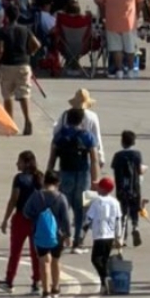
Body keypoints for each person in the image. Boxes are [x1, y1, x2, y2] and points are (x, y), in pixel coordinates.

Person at [46, 106, 99, 252]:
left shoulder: (60, 136)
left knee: (64, 207)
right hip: (84, 176)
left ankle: (62, 236)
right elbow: (94, 159)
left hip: (65, 174)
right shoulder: (87, 136)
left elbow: (52, 158)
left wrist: (48, 176)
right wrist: (95, 180)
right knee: (82, 209)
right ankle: (78, 240)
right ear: (81, 120)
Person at [0, 150, 42, 294]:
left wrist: (5, 219)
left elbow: (14, 199)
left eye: (20, 161)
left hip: (21, 219)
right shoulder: (40, 177)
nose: (17, 164)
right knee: (36, 252)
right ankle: (36, 281)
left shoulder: (19, 179)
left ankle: (9, 281)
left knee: (15, 251)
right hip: (36, 220)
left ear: (27, 163)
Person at [23, 169, 71, 298]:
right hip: (58, 235)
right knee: (56, 260)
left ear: (44, 181)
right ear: (58, 182)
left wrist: (36, 219)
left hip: (40, 233)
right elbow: (66, 218)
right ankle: (56, 287)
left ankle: (46, 291)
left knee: (44, 262)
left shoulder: (36, 196)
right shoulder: (61, 198)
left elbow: (26, 212)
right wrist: (68, 235)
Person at [0, 2, 39, 136]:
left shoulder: (3, 30)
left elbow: (0, 50)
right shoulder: (25, 29)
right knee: (24, 93)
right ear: (18, 15)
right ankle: (27, 120)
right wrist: (30, 53)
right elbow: (37, 44)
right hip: (23, 64)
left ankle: (10, 123)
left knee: (8, 96)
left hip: (7, 65)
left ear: (6, 16)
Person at [94, 0, 143, 79]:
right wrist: (137, 12)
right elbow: (141, 0)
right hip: (129, 21)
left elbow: (98, 0)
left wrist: (103, 12)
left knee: (116, 48)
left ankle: (119, 70)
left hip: (112, 20)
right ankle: (131, 70)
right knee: (130, 48)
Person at [83, 177, 121, 293]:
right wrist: (118, 236)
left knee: (95, 259)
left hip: (99, 234)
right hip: (110, 235)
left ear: (103, 189)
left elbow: (89, 218)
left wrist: (82, 234)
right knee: (103, 260)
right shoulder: (115, 202)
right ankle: (103, 286)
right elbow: (118, 219)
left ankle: (106, 277)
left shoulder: (96, 201)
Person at [110, 130, 146, 248]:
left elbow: (114, 170)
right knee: (134, 209)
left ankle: (122, 237)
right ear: (134, 142)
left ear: (122, 142)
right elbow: (140, 171)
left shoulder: (118, 156)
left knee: (122, 212)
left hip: (121, 188)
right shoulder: (137, 155)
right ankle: (135, 226)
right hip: (134, 188)